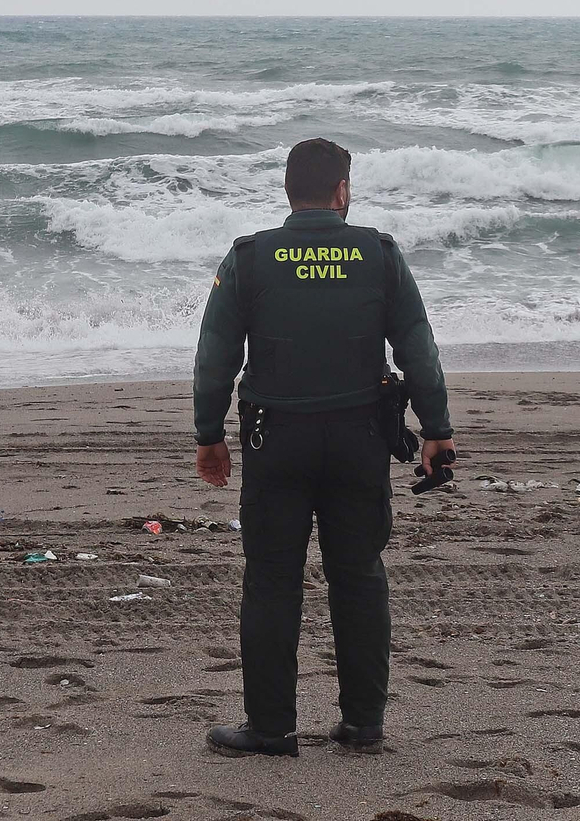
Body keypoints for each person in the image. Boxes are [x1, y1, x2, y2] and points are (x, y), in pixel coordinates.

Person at [191, 138, 456, 757]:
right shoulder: (379, 254)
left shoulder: (250, 257)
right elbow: (417, 347)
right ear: (342, 191)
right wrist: (436, 429)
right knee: (359, 575)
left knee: (272, 581)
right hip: (360, 439)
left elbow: (214, 357)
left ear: (289, 192)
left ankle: (271, 727)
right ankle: (363, 723)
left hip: (274, 440)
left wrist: (209, 435)